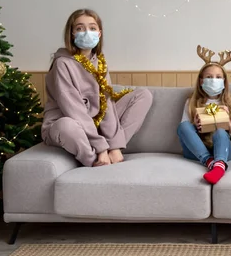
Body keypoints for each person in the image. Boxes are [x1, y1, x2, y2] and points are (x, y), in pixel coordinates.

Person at [42, 9, 153, 167]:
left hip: (94, 123)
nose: (87, 32)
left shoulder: (99, 61)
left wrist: (113, 145)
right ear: (72, 33)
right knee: (67, 125)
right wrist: (100, 148)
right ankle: (95, 160)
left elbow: (105, 104)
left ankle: (114, 149)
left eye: (92, 28)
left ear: (99, 33)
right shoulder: (62, 63)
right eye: (80, 28)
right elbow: (74, 110)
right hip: (68, 123)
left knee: (143, 95)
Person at [176, 45, 231, 184]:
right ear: (201, 81)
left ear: (224, 81)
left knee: (220, 132)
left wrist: (229, 125)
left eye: (218, 77)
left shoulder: (230, 104)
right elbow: (184, 132)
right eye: (209, 77)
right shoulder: (191, 102)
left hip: (224, 151)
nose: (214, 80)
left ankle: (218, 164)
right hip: (197, 151)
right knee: (183, 126)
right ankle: (211, 162)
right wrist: (195, 125)